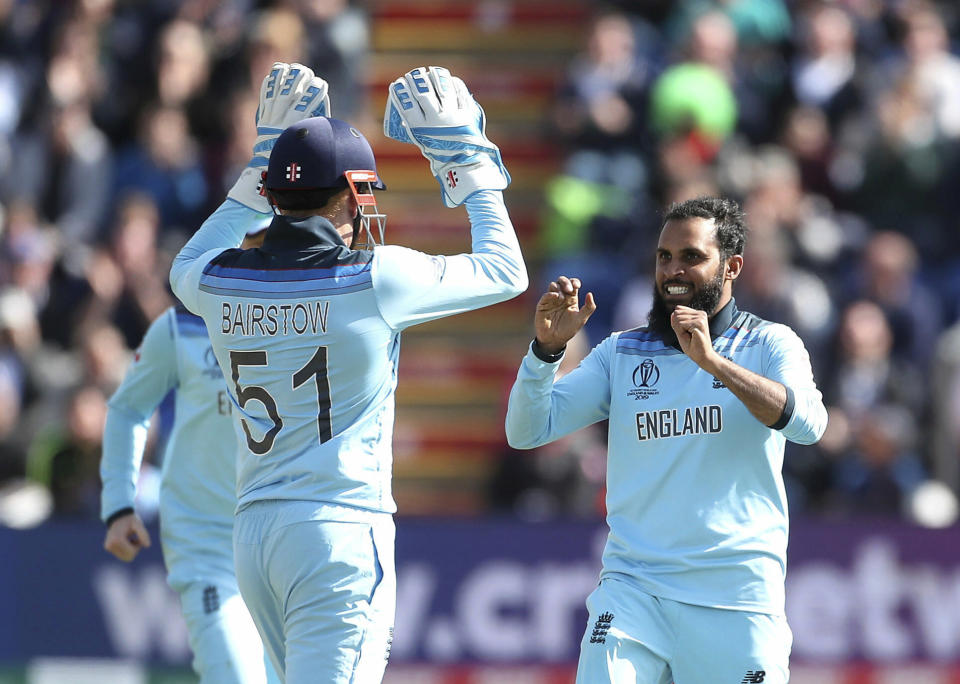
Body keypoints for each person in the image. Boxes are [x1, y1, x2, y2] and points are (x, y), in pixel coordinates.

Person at [169, 63, 525, 683]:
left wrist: (259, 167)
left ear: (274, 194)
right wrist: (469, 160)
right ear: (356, 193)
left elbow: (185, 264)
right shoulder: (377, 277)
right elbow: (505, 271)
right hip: (337, 532)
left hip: (254, 533)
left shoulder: (218, 280)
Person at [506, 196, 827, 683]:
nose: (673, 270)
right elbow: (527, 430)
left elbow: (808, 425)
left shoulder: (768, 343)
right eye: (664, 257)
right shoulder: (622, 351)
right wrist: (545, 353)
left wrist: (714, 364)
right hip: (634, 590)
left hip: (736, 597)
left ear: (732, 266)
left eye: (692, 257)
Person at [100, 285, 279, 683]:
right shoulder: (182, 326)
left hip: (285, 547)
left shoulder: (313, 314)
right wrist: (119, 504)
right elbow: (129, 406)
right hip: (208, 545)